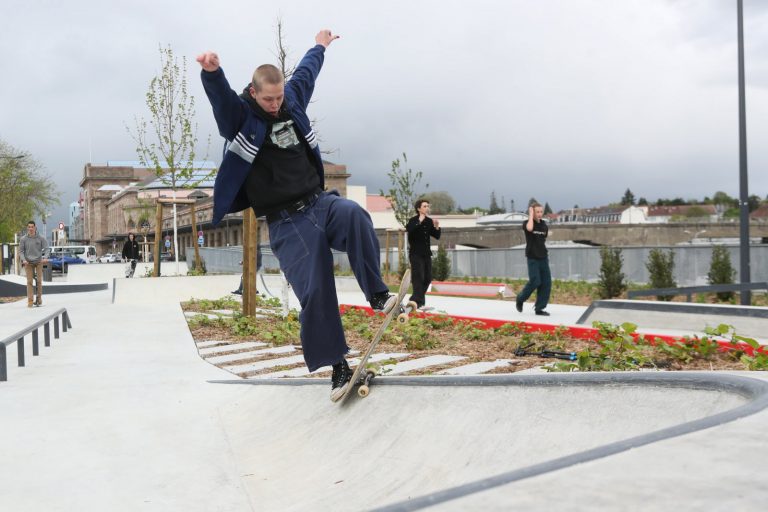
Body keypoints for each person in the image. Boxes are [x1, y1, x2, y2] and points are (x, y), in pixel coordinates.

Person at [197, 29, 397, 400]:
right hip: (286, 220)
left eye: (279, 97)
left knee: (354, 214)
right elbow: (222, 103)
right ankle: (338, 368)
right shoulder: (241, 116)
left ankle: (379, 294)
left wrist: (320, 45)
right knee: (316, 289)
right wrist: (212, 74)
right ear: (255, 93)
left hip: (319, 202)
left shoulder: (292, 99)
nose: (275, 105)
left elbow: (307, 70)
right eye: (268, 99)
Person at [516, 203, 551, 316]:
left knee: (546, 283)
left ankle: (539, 308)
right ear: (533, 212)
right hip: (532, 257)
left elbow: (543, 238)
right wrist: (530, 215)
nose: (540, 214)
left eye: (541, 212)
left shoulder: (544, 225)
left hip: (543, 257)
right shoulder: (527, 223)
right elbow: (530, 228)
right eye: (537, 212)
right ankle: (520, 299)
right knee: (535, 281)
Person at [405, 199, 441, 309]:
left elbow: (437, 236)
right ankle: (419, 302)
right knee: (418, 277)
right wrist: (419, 221)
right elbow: (409, 229)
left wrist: (436, 226)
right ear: (419, 208)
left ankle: (415, 299)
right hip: (415, 254)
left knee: (428, 278)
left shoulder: (429, 221)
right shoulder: (413, 220)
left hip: (426, 254)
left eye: (427, 206)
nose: (427, 208)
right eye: (425, 206)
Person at [19, 220, 49, 307]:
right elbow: (21, 251)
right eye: (29, 227)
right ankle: (30, 300)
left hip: (39, 262)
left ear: (35, 227)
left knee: (39, 281)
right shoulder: (23, 239)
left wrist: (45, 257)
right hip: (28, 262)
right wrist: (23, 260)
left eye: (32, 227)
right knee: (29, 281)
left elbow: (47, 248)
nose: (30, 228)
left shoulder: (40, 238)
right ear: (27, 228)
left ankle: (39, 299)